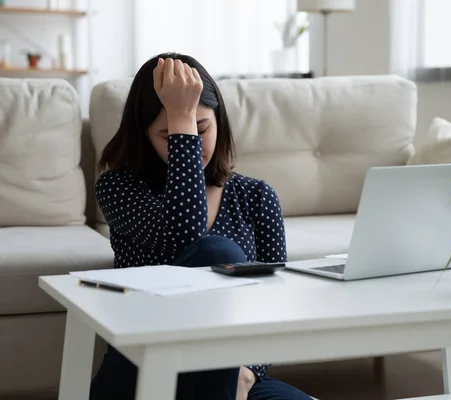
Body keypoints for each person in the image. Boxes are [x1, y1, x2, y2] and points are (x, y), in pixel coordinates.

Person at [91, 52, 312, 400]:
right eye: (172, 134)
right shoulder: (119, 188)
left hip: (231, 372)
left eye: (202, 128)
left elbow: (275, 304)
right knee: (217, 253)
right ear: (145, 137)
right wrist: (183, 120)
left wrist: (249, 372)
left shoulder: (256, 196)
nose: (192, 140)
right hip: (146, 365)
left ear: (220, 122)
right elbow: (187, 235)